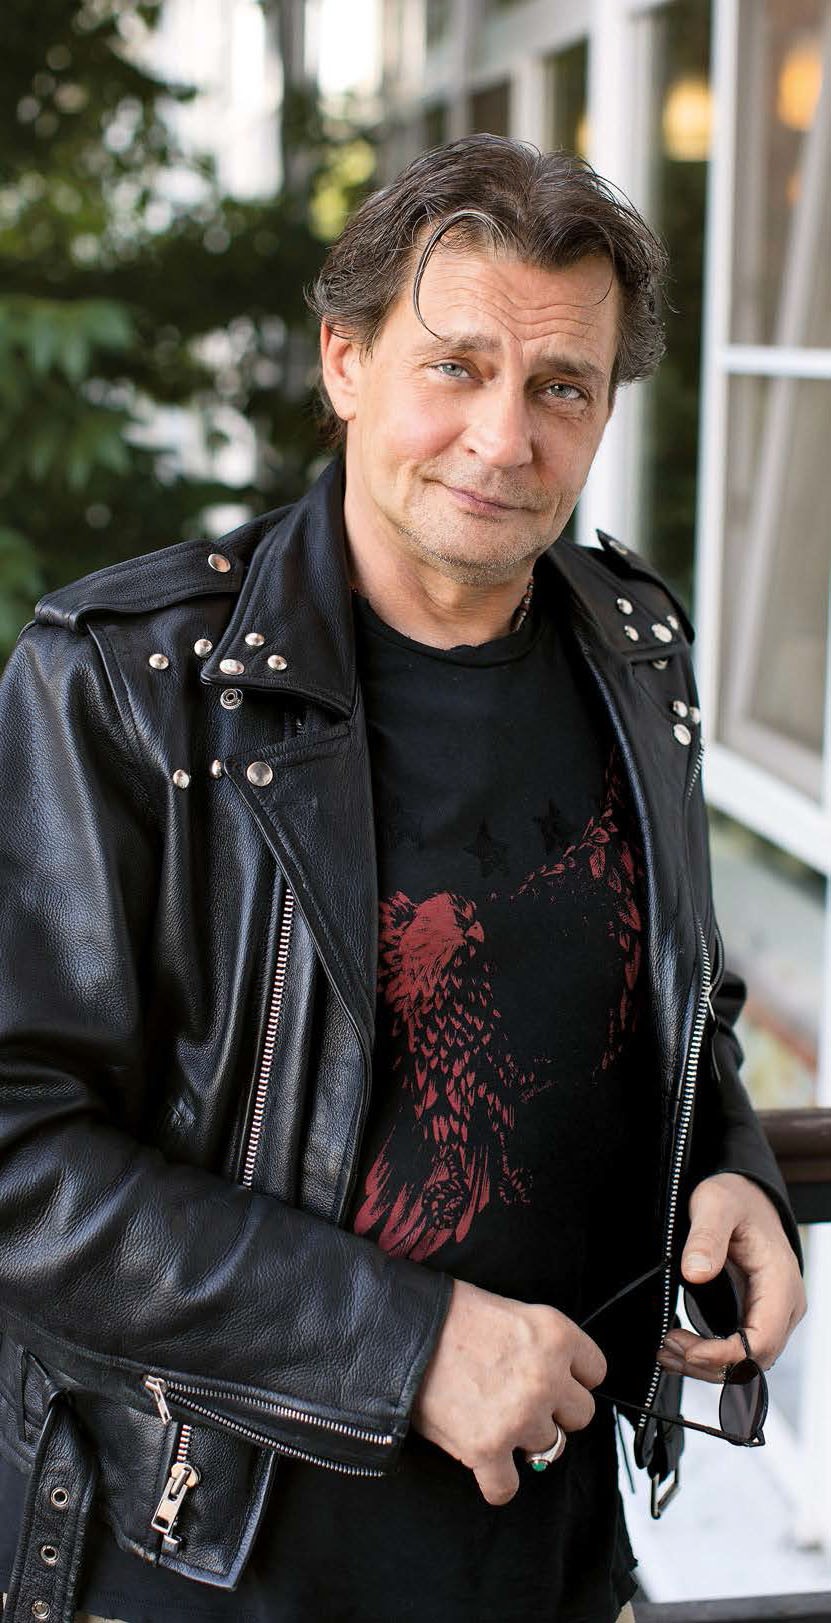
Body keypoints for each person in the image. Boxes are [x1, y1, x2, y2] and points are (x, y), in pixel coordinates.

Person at [0, 135, 806, 1623]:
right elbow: (17, 1151)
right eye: (456, 367)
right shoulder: (125, 685)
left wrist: (730, 1161)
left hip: (553, 1549)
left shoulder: (637, 651)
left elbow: (663, 996)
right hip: (210, 1565)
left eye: (561, 387)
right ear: (346, 362)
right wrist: (404, 1344)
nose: (504, 438)